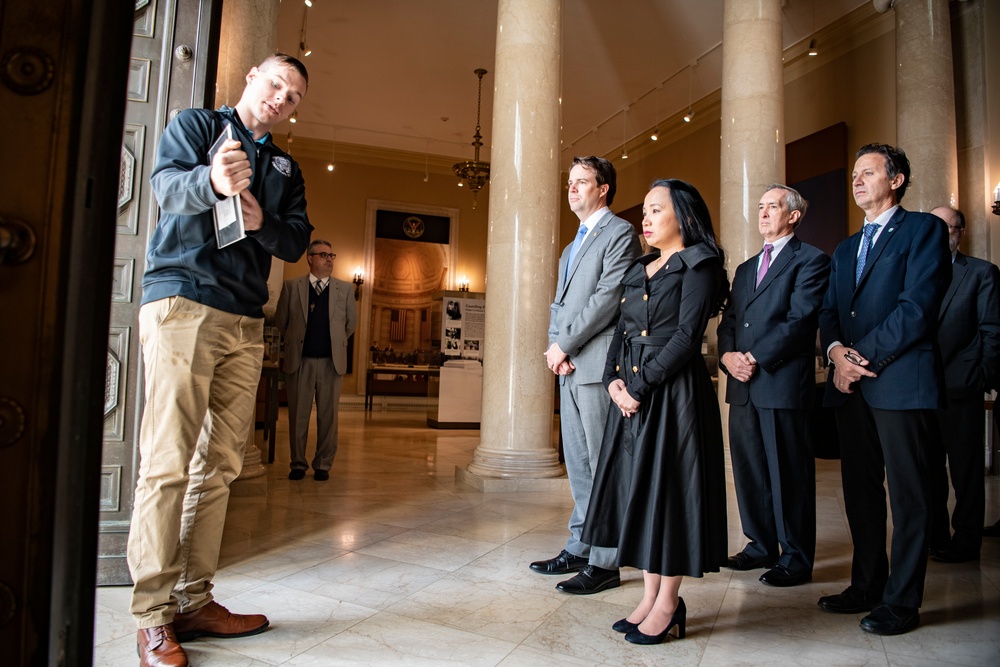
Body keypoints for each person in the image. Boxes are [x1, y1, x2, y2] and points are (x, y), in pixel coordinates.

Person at [129, 53, 311, 667]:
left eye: (293, 97)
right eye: (275, 85)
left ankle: (194, 599)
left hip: (245, 319)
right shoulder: (197, 127)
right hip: (183, 302)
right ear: (251, 79)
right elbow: (164, 189)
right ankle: (152, 617)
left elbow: (295, 238)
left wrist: (261, 221)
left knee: (221, 464)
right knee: (168, 462)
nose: (281, 98)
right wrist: (210, 181)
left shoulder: (286, 167)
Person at [581, 179, 730, 645]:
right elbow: (621, 333)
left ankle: (669, 601)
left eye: (655, 210)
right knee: (639, 496)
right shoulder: (641, 267)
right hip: (632, 393)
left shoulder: (701, 266)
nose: (644, 219)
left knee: (669, 496)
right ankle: (648, 597)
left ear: (683, 216)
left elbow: (687, 339)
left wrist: (639, 386)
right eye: (643, 211)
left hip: (672, 395)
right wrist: (612, 382)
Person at [817, 143, 950, 636]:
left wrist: (857, 358)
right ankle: (866, 585)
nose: (856, 180)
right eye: (854, 173)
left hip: (899, 383)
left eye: (867, 172)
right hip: (850, 387)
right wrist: (834, 353)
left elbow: (917, 309)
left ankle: (901, 601)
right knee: (860, 493)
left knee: (910, 497)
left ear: (895, 180)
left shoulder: (924, 230)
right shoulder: (847, 247)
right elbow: (830, 311)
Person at [531, 156, 641, 594]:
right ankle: (580, 544)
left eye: (582, 182)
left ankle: (607, 561)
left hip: (598, 367)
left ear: (604, 189)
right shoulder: (570, 246)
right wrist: (555, 348)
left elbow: (607, 298)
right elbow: (558, 304)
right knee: (576, 464)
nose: (572, 189)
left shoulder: (620, 234)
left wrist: (566, 345)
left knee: (602, 463)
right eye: (570, 182)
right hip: (570, 366)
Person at [718, 184, 830, 587]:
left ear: (794, 215)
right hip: (743, 385)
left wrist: (754, 358)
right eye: (760, 207)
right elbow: (730, 321)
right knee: (749, 469)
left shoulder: (812, 261)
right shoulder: (747, 268)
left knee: (789, 472)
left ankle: (796, 556)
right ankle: (760, 544)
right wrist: (728, 356)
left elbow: (800, 321)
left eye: (773, 207)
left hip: (780, 381)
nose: (763, 213)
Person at [926, 206, 1000, 563]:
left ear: (961, 233)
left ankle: (966, 541)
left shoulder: (982, 273)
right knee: (927, 471)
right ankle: (935, 536)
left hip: (962, 386)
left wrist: (981, 375)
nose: (941, 234)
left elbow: (992, 330)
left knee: (966, 472)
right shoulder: (916, 272)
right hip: (922, 388)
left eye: (948, 228)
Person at [275, 239, 357, 481]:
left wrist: (334, 342)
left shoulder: (345, 290)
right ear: (309, 258)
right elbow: (282, 322)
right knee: (298, 416)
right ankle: (298, 464)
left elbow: (350, 324)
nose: (329, 259)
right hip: (300, 362)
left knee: (328, 417)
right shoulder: (291, 287)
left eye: (332, 255)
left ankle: (323, 464)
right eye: (323, 255)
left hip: (331, 363)